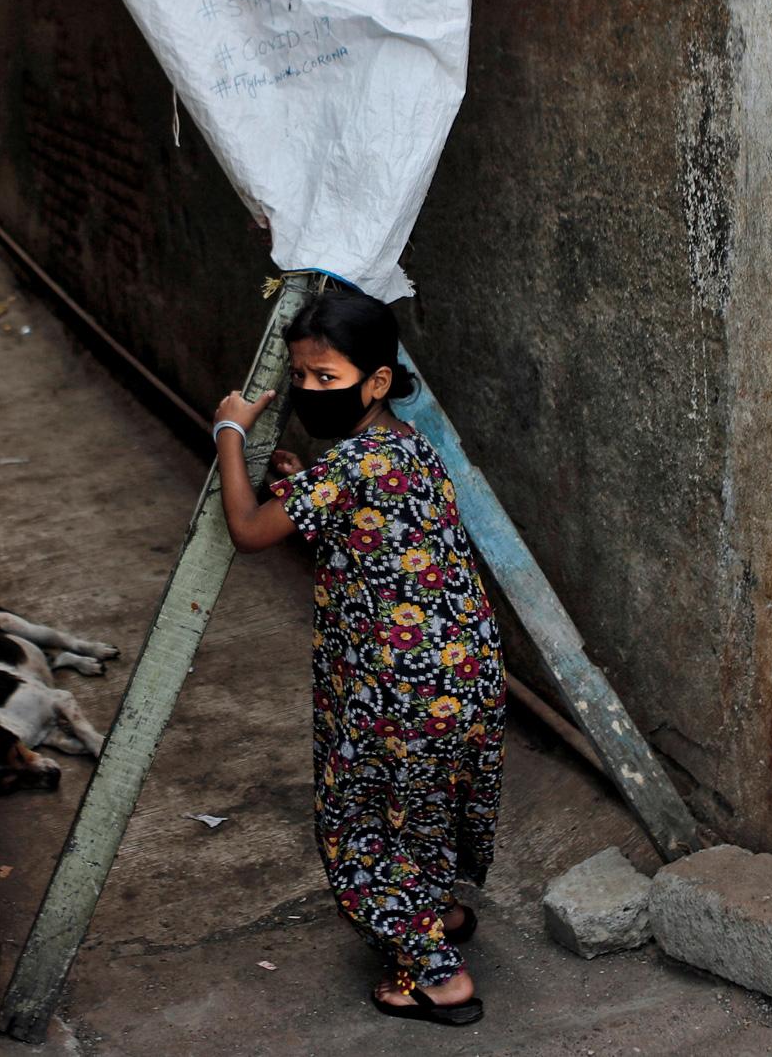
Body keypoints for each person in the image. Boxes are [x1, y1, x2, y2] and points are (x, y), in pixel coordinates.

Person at [213, 289, 505, 1027]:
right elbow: (370, 541)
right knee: (425, 809)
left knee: (361, 823)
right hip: (463, 674)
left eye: (327, 379)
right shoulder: (406, 447)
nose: (312, 392)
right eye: (303, 378)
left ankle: (435, 974)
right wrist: (295, 485)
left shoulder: (347, 467)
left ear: (376, 381)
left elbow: (248, 531)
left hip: (394, 689)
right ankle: (433, 911)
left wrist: (229, 432)